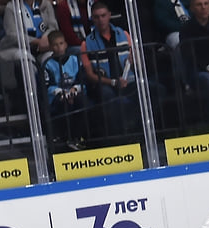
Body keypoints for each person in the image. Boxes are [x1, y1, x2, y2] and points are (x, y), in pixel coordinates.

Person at [80, 1, 140, 137]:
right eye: (96, 17)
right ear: (92, 19)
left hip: (128, 80)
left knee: (151, 88)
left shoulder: (124, 34)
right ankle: (119, 137)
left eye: (103, 16)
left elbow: (137, 60)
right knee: (110, 97)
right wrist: (113, 82)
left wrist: (135, 60)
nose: (101, 20)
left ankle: (138, 129)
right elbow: (90, 75)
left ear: (109, 15)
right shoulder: (86, 43)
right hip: (105, 84)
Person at [0, 0, 58, 99]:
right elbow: (12, 35)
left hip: (42, 48)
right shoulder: (11, 7)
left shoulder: (46, 4)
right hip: (16, 47)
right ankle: (33, 99)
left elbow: (53, 27)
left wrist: (45, 38)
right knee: (27, 59)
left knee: (50, 57)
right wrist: (36, 41)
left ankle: (55, 97)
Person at [41, 29, 89, 149]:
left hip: (76, 93)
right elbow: (48, 86)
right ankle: (65, 139)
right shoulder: (47, 64)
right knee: (63, 105)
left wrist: (74, 89)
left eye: (61, 43)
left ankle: (78, 138)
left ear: (66, 44)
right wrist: (62, 93)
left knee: (81, 102)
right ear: (51, 47)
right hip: (58, 97)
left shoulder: (75, 60)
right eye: (56, 45)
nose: (59, 47)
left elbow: (82, 80)